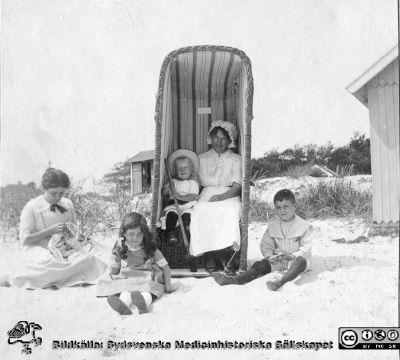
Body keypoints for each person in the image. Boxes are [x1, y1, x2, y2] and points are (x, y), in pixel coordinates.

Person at [1, 168, 107, 289]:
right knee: (52, 262)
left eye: (61, 193)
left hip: (63, 246)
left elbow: (73, 233)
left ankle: (63, 277)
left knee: (89, 258)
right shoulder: (32, 207)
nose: (58, 197)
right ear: (44, 189)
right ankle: (13, 280)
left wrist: (76, 239)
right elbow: (25, 240)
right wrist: (49, 231)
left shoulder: (67, 204)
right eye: (53, 193)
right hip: (38, 247)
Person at [212, 189, 313, 291]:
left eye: (286, 206)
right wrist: (270, 256)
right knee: (261, 264)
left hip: (294, 261)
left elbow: (306, 248)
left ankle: (279, 283)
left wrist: (292, 255)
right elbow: (266, 245)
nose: (282, 210)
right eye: (279, 207)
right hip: (278, 261)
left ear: (294, 207)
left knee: (301, 261)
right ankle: (234, 280)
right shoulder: (273, 225)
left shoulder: (304, 226)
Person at [189, 120, 242, 273]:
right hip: (207, 192)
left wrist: (222, 197)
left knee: (230, 210)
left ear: (229, 140)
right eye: (216, 138)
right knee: (200, 210)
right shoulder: (201, 158)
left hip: (229, 193)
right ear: (211, 138)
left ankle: (225, 255)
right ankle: (209, 255)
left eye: (223, 139)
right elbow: (195, 182)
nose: (218, 142)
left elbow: (237, 186)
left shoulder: (236, 159)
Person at [105, 212, 178, 315]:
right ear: (124, 234)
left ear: (145, 234)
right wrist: (113, 282)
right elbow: (115, 267)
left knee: (147, 292)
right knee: (125, 291)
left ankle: (143, 305)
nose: (135, 238)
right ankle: (123, 306)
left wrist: (168, 287)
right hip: (128, 278)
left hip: (147, 277)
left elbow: (165, 266)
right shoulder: (120, 247)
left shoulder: (150, 248)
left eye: (139, 234)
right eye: (131, 234)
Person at [162, 149, 200, 245]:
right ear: (175, 171)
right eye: (179, 168)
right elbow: (165, 195)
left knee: (187, 218)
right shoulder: (173, 182)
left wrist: (179, 197)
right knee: (171, 215)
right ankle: (170, 234)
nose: (182, 170)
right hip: (174, 206)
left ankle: (189, 235)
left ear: (191, 170)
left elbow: (193, 197)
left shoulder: (192, 183)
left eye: (185, 168)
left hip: (188, 206)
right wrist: (166, 190)